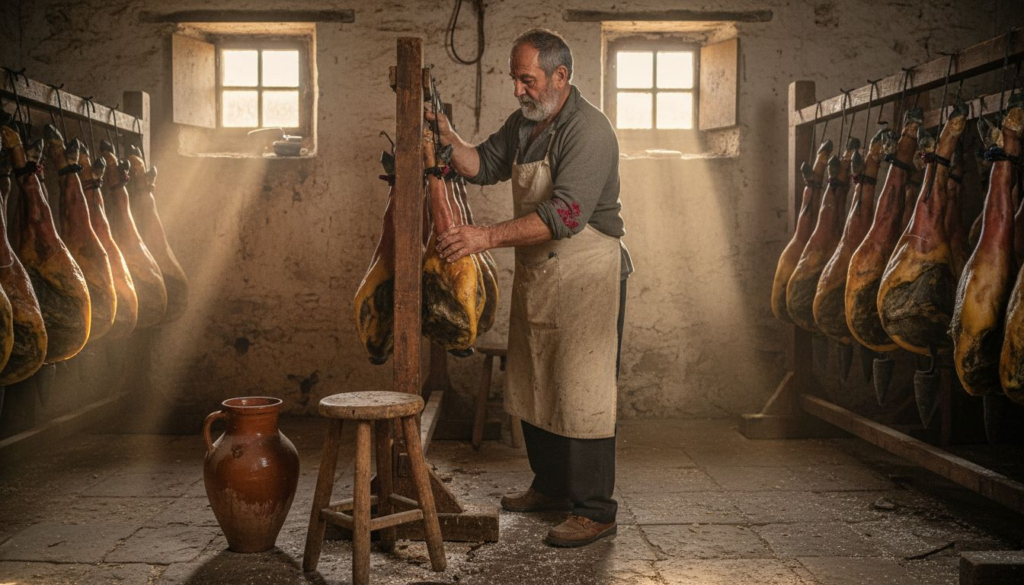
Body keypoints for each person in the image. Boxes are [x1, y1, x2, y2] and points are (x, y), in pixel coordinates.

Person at [426, 27, 632, 548]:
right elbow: (485, 164)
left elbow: (565, 213)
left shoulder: (588, 129)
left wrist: (485, 237)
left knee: (582, 387)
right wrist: (450, 141)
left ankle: (594, 509)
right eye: (516, 79)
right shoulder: (526, 124)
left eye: (528, 80)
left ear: (560, 77)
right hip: (544, 271)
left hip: (588, 272)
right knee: (537, 376)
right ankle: (552, 486)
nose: (518, 90)